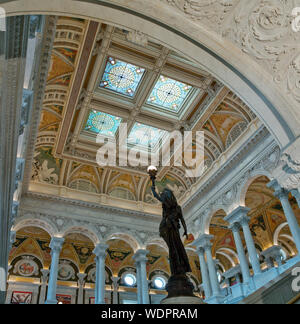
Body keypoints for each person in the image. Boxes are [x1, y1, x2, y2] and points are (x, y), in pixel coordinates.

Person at [151, 183, 192, 276]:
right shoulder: (166, 205)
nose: (165, 197)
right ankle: (176, 267)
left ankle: (180, 266)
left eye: (166, 195)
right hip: (167, 227)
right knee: (173, 248)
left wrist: (185, 230)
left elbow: (182, 219)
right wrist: (153, 191)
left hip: (173, 228)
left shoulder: (177, 207)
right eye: (164, 195)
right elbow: (159, 198)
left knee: (177, 248)